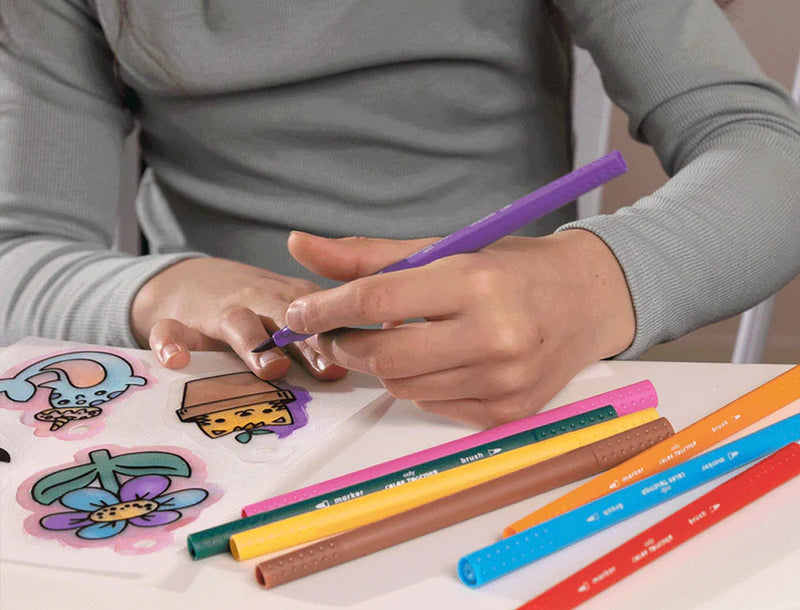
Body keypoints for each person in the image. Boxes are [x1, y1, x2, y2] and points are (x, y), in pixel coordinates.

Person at [1, 0, 799, 428]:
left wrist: (593, 285)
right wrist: (159, 290)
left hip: (511, 404)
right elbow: (16, 254)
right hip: (221, 409)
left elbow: (773, 157)